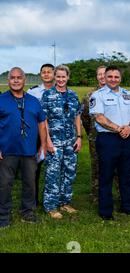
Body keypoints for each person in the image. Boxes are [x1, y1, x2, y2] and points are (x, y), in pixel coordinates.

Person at [89, 65, 130, 220]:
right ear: (105, 77)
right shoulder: (98, 95)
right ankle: (105, 211)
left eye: (116, 77)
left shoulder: (127, 94)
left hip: (127, 138)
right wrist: (119, 128)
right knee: (106, 176)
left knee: (126, 175)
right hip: (108, 139)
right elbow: (99, 117)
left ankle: (127, 206)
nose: (113, 79)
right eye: (110, 76)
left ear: (120, 78)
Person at [0, 67, 47, 228]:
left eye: (19, 77)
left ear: (24, 80)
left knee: (29, 183)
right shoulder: (1, 99)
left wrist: (44, 145)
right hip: (7, 150)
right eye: (12, 77)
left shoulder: (34, 101)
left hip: (29, 150)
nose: (15, 80)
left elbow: (42, 124)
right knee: (5, 184)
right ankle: (3, 215)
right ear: (8, 80)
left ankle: (27, 212)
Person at [41, 65, 82, 219]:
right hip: (55, 142)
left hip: (70, 141)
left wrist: (79, 137)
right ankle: (51, 206)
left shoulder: (73, 95)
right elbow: (43, 120)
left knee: (69, 172)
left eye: (63, 76)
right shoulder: (47, 95)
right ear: (54, 77)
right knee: (53, 173)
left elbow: (77, 116)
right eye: (58, 76)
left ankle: (65, 202)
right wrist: (48, 141)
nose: (60, 79)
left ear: (68, 77)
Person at [27, 63, 54, 206]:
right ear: (40, 74)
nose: (46, 74)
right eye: (43, 72)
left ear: (54, 74)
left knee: (54, 168)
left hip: (56, 135)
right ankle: (33, 199)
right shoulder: (33, 92)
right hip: (37, 135)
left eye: (49, 72)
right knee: (35, 167)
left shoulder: (60, 91)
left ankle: (53, 199)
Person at [81, 65, 107, 202]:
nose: (102, 77)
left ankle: (117, 193)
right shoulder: (89, 96)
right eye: (99, 74)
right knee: (96, 166)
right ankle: (96, 195)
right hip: (95, 137)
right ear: (97, 77)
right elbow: (84, 117)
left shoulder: (116, 93)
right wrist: (91, 131)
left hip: (113, 137)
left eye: (105, 74)